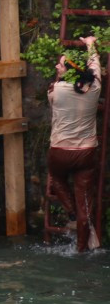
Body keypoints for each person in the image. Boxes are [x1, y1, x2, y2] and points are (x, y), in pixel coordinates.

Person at [47, 35, 102, 252]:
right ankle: (81, 249)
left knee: (57, 177)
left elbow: (53, 91)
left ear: (66, 73)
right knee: (85, 205)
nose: (56, 66)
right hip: (86, 153)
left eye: (59, 65)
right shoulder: (96, 88)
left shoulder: (57, 90)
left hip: (60, 150)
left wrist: (60, 75)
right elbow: (95, 67)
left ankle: (69, 210)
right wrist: (90, 44)